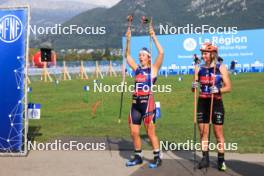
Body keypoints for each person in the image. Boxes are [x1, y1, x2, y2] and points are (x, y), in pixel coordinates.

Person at [125, 24, 164, 168]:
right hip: (135, 104)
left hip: (147, 103)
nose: (140, 57)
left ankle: (157, 156)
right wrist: (128, 40)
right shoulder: (137, 70)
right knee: (134, 132)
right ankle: (138, 156)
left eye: (143, 55)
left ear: (148, 58)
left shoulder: (153, 69)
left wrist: (153, 37)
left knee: (150, 132)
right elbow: (127, 56)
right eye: (139, 55)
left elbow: (161, 53)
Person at [192, 42, 232, 171]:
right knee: (203, 132)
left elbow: (229, 87)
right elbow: (195, 87)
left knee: (218, 133)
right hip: (203, 102)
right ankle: (205, 159)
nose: (203, 56)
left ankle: (221, 160)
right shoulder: (198, 68)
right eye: (202, 53)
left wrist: (218, 90)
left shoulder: (221, 67)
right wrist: (193, 87)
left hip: (216, 102)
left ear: (213, 54)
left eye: (206, 53)